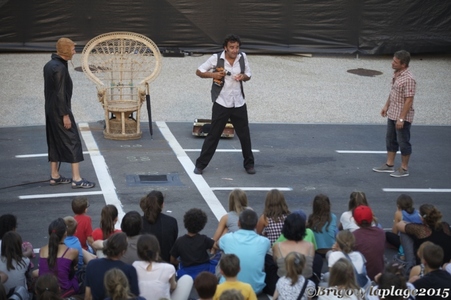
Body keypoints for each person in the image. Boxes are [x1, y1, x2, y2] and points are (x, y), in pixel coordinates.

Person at [193, 34, 255, 175]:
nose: (235, 50)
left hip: (239, 102)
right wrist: (213, 75)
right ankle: (200, 164)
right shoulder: (216, 58)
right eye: (232, 47)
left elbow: (249, 75)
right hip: (222, 102)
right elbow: (199, 71)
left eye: (237, 47)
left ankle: (249, 164)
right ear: (225, 48)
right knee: (213, 135)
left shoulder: (242, 57)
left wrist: (242, 77)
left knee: (244, 135)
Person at [43, 37, 95, 188]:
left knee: (54, 140)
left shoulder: (49, 65)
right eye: (72, 49)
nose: (74, 51)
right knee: (73, 141)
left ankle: (55, 175)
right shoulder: (60, 68)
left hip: (50, 109)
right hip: (60, 109)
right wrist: (65, 115)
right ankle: (77, 178)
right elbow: (60, 93)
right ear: (66, 51)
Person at [373, 50, 416, 178]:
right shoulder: (397, 74)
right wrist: (386, 106)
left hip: (402, 117)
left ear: (403, 64)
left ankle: (404, 168)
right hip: (392, 113)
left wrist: (401, 118)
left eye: (395, 62)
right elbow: (393, 92)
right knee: (390, 139)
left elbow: (409, 100)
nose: (392, 63)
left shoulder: (409, 79)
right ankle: (389, 164)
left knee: (403, 141)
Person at [218, 209, 270, 294]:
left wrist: (225, 230)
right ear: (256, 225)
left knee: (223, 253)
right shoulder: (264, 242)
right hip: (255, 289)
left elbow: (218, 244)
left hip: (228, 289)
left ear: (238, 223)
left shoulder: (227, 238)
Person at [133, 234, 193, 300]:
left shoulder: (135, 265)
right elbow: (173, 287)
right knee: (187, 278)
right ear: (157, 250)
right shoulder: (168, 268)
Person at [396, 204, 451, 273]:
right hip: (445, 261)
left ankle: (410, 265)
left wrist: (410, 224)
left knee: (405, 233)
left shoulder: (420, 229)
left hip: (428, 262)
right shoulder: (445, 225)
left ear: (422, 218)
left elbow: (399, 224)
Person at [85, 232, 139, 300]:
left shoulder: (92, 265)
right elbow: (135, 296)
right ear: (123, 251)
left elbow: (88, 296)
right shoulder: (130, 270)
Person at [37, 218, 79, 297]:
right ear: (65, 233)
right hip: (64, 290)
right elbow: (75, 266)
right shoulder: (72, 252)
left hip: (45, 289)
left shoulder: (42, 250)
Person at [170, 209, 215, 279]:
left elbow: (172, 259)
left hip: (186, 271)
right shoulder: (204, 239)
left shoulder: (180, 241)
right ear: (202, 225)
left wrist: (180, 262)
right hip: (204, 270)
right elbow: (215, 246)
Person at [139, 190, 178, 263]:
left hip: (144, 264)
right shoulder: (171, 222)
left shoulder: (138, 222)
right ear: (162, 205)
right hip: (166, 264)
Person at [352, 206, 385, 281]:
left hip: (361, 277)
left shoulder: (353, 235)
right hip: (378, 274)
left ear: (355, 221)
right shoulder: (381, 232)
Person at [386, 194, 422, 261]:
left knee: (387, 235)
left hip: (406, 241)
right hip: (417, 240)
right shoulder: (418, 213)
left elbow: (394, 232)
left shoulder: (399, 213)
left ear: (398, 205)